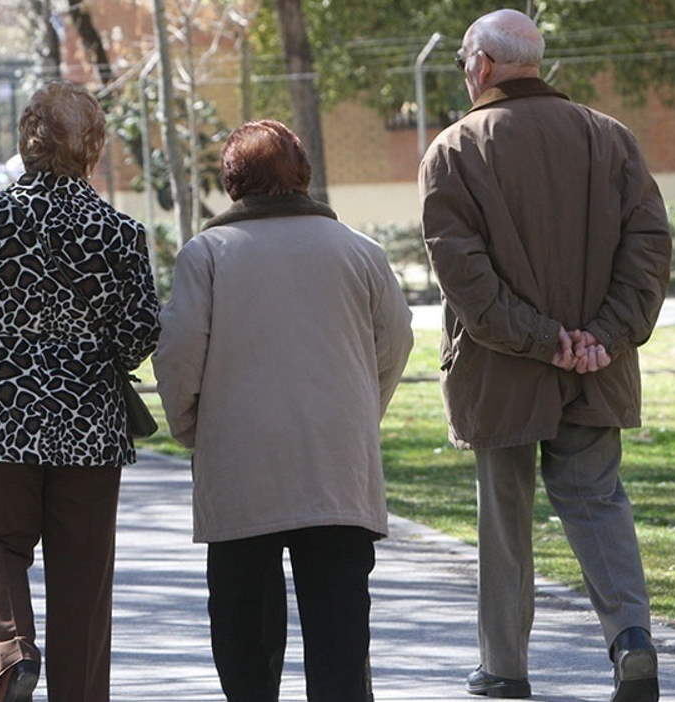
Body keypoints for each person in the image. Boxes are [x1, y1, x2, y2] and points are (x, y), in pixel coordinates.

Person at [419, 9, 671, 702]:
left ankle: (504, 667)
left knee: (505, 517)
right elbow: (649, 249)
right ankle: (632, 640)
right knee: (597, 503)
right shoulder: (610, 138)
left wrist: (543, 340)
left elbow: (464, 277)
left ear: (481, 65)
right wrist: (601, 337)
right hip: (598, 366)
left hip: (502, 370)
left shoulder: (454, 150)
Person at [153, 120, 414, 702]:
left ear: (232, 183)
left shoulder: (208, 254)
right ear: (303, 177)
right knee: (340, 633)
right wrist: (361, 411)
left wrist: (194, 427)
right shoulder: (359, 250)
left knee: (245, 632)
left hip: (241, 461)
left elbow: (178, 355)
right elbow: (396, 341)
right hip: (337, 462)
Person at [0, 80, 160, 702]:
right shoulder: (118, 233)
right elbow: (138, 331)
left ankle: (10, 654)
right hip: (86, 425)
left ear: (26, 142)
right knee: (83, 575)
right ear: (93, 148)